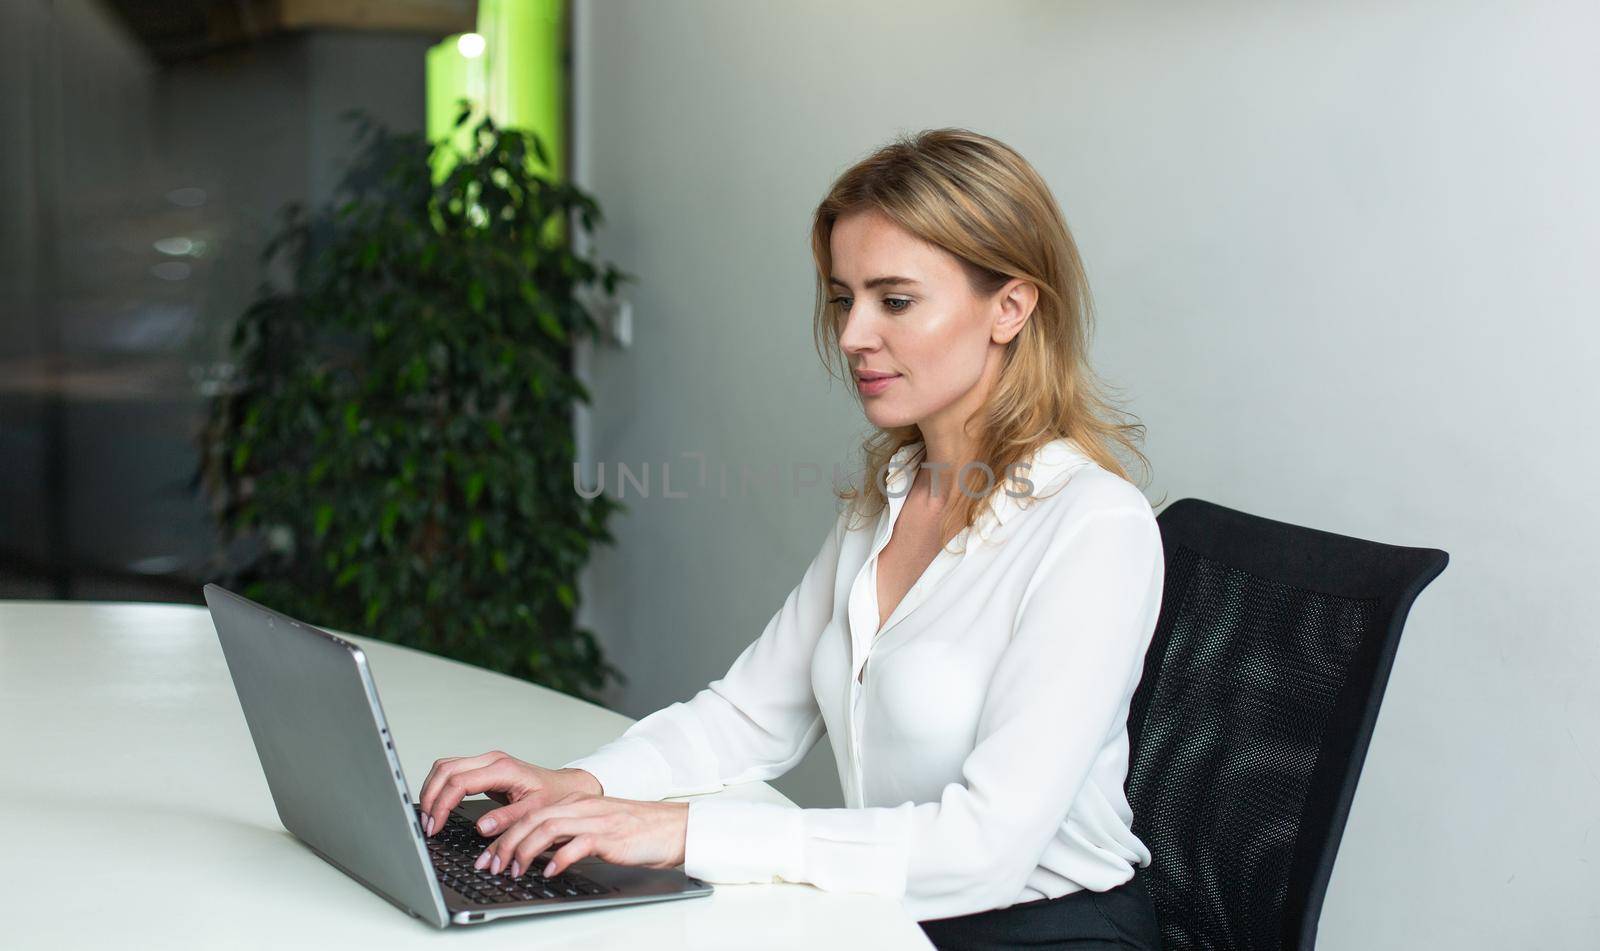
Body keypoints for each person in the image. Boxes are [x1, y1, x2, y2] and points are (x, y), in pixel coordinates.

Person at [418, 128, 1165, 950]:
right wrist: (578, 783)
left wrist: (684, 833)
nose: (852, 335)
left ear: (1011, 307)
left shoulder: (1095, 528)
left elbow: (984, 851)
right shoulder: (884, 501)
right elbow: (746, 717)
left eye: (896, 300)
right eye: (846, 298)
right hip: (889, 917)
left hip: (1047, 931)